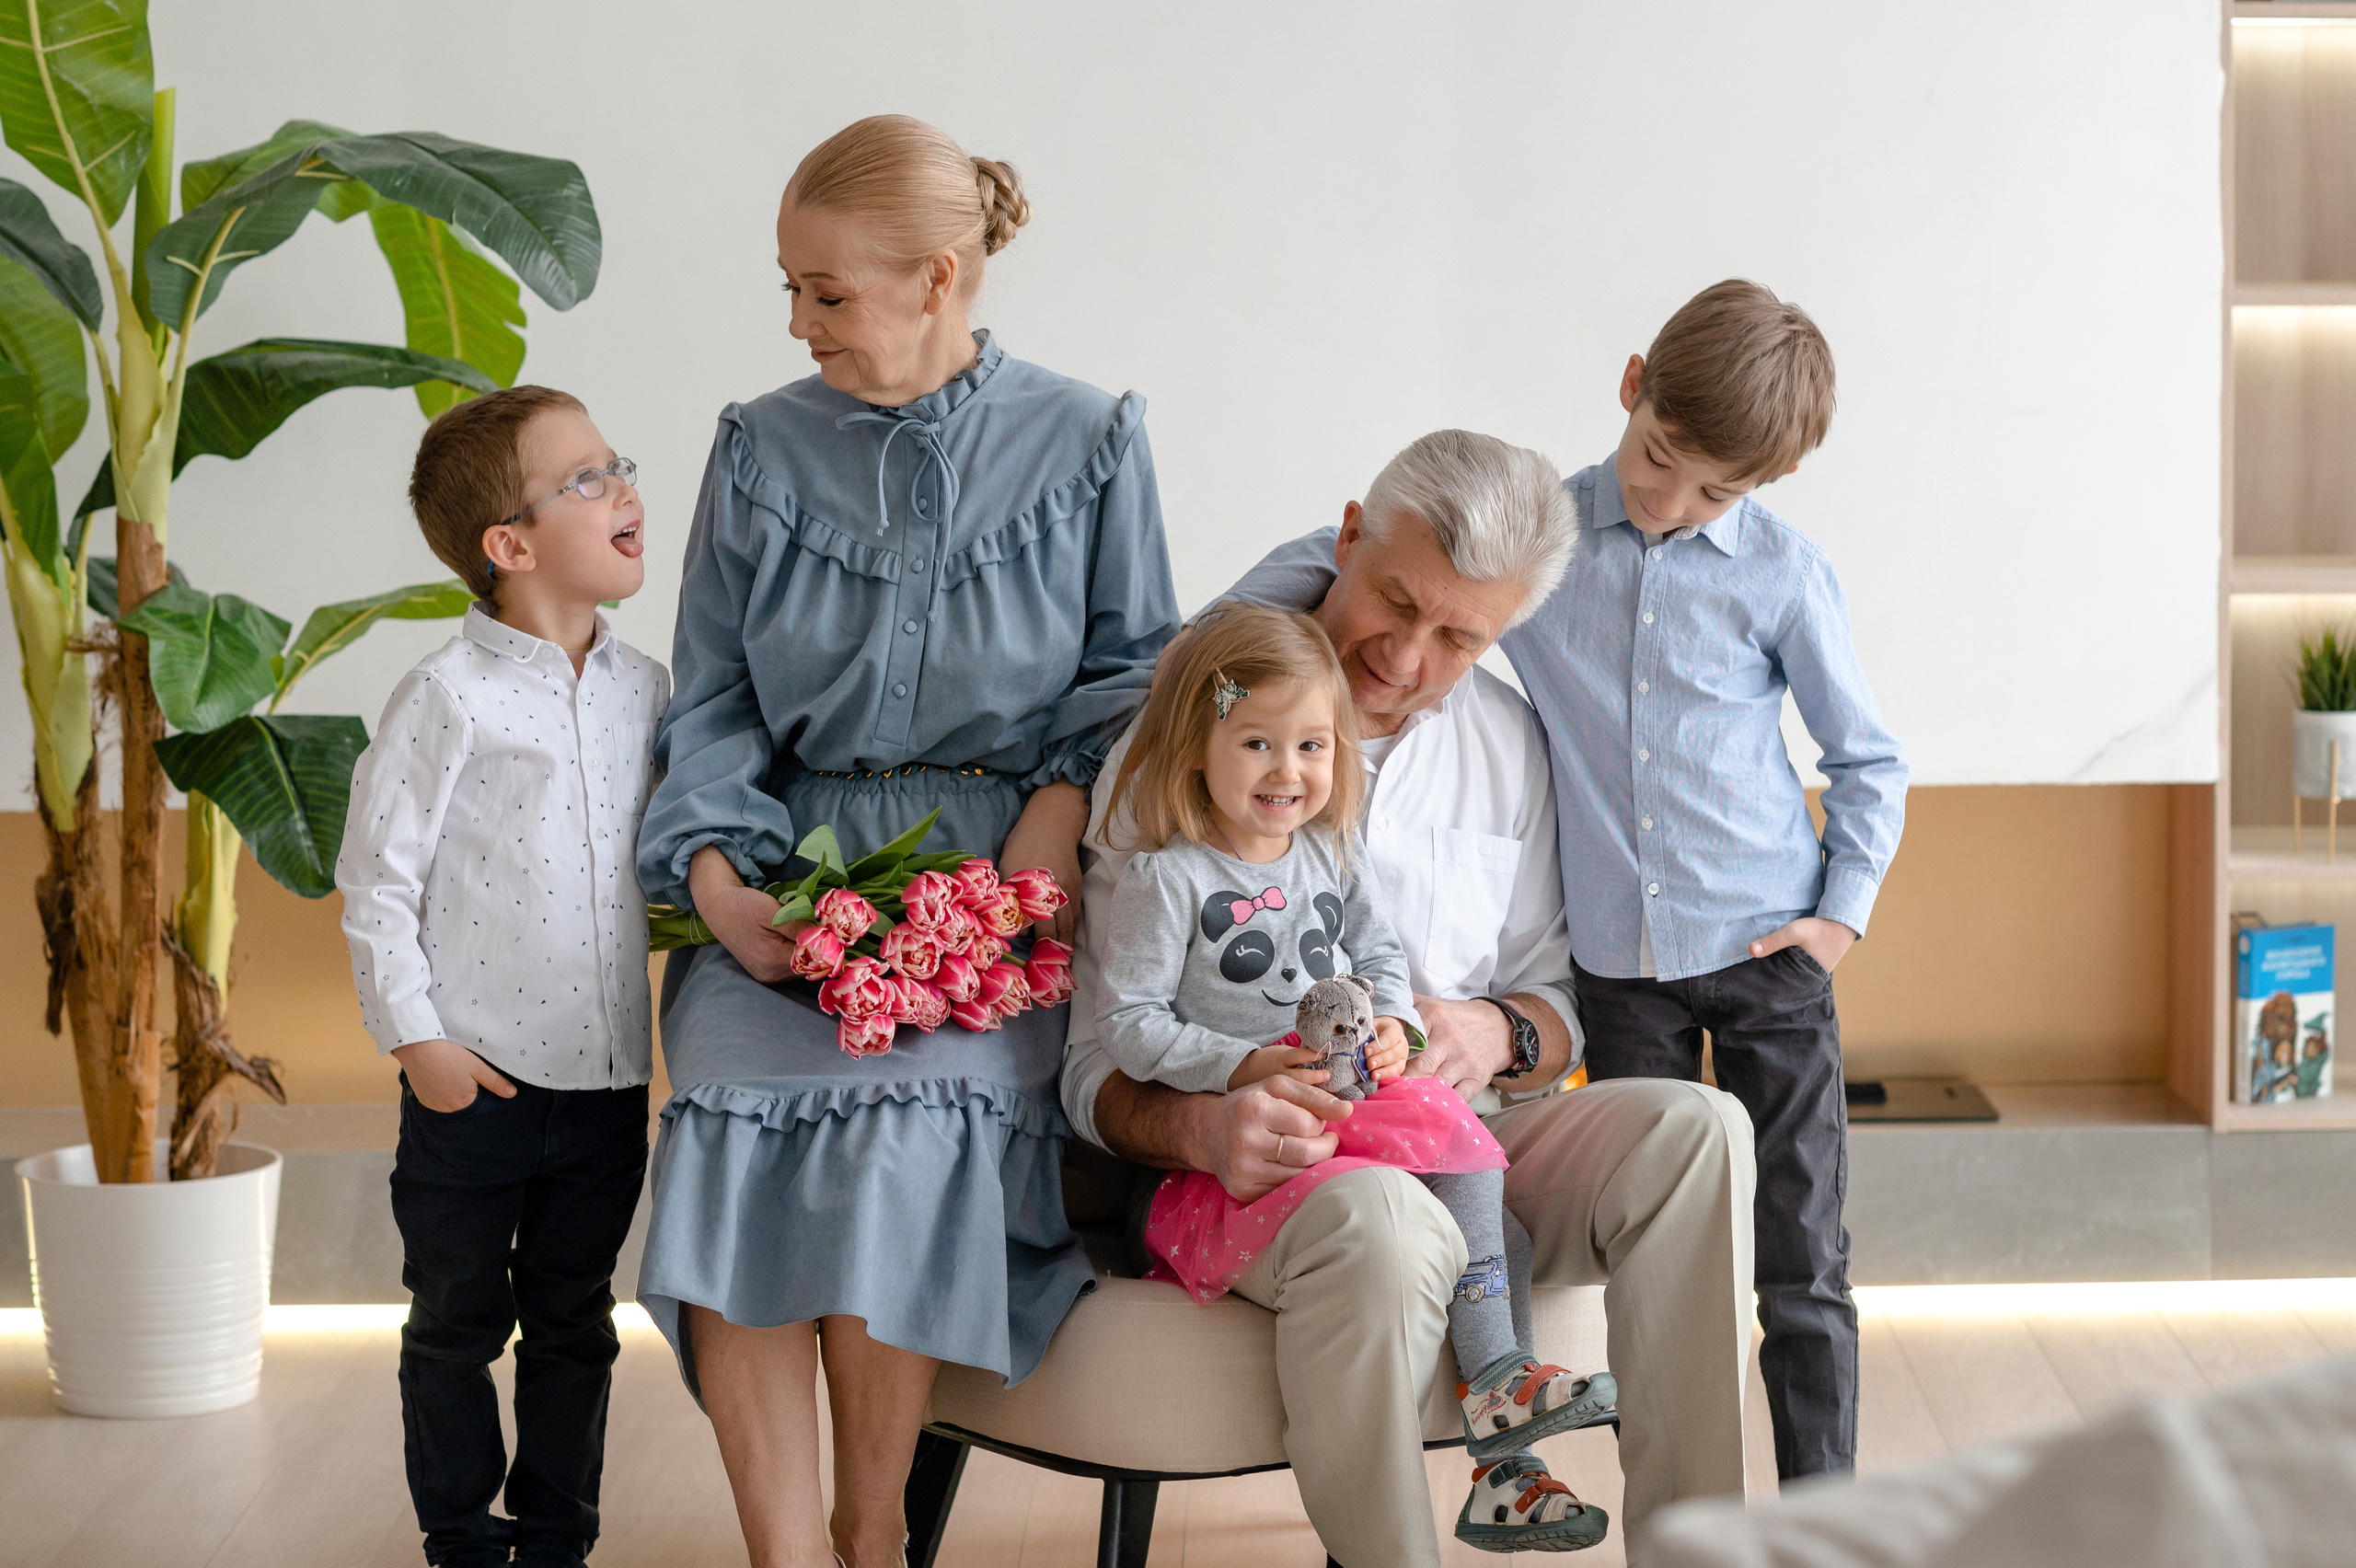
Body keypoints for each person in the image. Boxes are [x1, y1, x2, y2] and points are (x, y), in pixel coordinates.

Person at [1222, 285, 1910, 1485]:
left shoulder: (1786, 578)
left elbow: (1867, 758)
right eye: (1659, 461)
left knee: (1802, 1258)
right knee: (1659, 1243)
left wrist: (1837, 921)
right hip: (1620, 970)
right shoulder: (1543, 547)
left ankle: (1821, 1516)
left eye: (1715, 491)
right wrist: (1221, 647)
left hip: (1766, 955)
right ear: (1632, 380)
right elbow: (1376, 569)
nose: (1671, 501)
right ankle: (1632, 1480)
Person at [633, 115, 1179, 1568]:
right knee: (740, 1120)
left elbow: (1131, 679)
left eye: (829, 292)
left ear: (940, 278)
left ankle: (871, 1532)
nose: (801, 323)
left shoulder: (1092, 437)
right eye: (789, 290)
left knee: (906, 1131)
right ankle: (788, 1558)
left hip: (1001, 884)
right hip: (790, 867)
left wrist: (1049, 839)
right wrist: (720, 890)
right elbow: (716, 698)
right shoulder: (756, 447)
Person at [1065, 430, 1759, 1567]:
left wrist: (1493, 1030)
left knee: (1703, 1129)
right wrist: (1203, 1122)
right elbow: (1094, 1061)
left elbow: (1559, 1006)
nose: (1405, 654)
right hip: (1271, 1163)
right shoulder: (1177, 747)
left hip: (1464, 1131)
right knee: (1381, 1218)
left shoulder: (1511, 749)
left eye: (1459, 636)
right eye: (1395, 599)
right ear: (1346, 538)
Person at [1093, 601, 1615, 1552]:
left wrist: (1394, 1031)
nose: (1287, 772)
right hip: (1254, 1140)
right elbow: (1129, 1027)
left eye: (1311, 745)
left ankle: (1507, 1455)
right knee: (1436, 1201)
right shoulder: (1164, 881)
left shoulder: (1333, 852)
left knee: (1496, 1221)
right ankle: (1498, 1415)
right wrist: (1240, 1064)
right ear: (1194, 747)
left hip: (1353, 1102)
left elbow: (1380, 963)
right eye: (1256, 742)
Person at [338, 385, 669, 1568]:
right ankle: (462, 1540)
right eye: (586, 478)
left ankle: (558, 1538)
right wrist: (419, 1046)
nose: (623, 486)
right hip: (472, 1083)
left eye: (616, 462)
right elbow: (375, 882)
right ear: (511, 545)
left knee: (576, 1325)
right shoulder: (446, 697)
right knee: (456, 1327)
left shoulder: (651, 693)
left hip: (603, 1088)